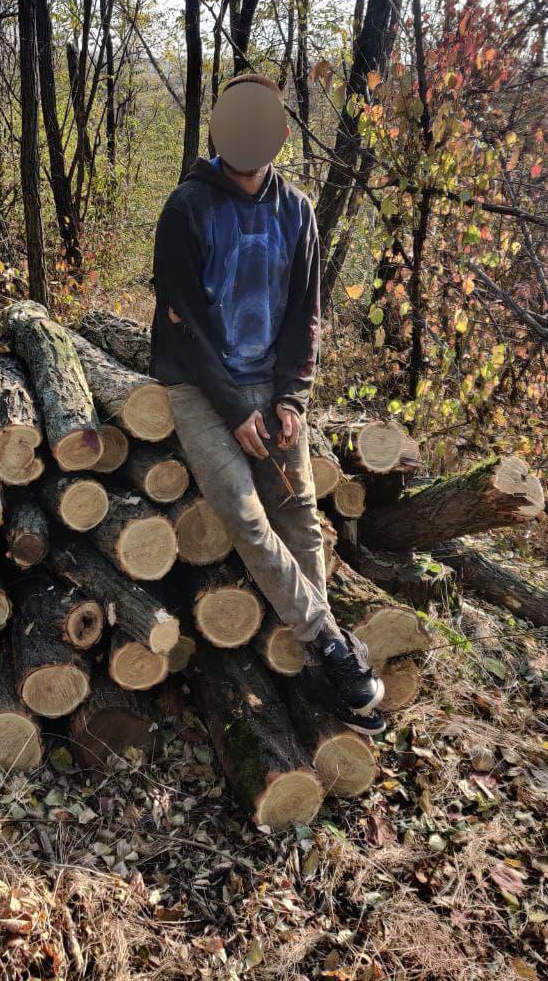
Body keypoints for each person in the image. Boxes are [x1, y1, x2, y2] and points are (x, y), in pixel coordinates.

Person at [150, 72, 385, 735]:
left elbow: (304, 317)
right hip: (198, 385)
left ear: (282, 133)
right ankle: (335, 649)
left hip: (270, 385)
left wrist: (292, 397)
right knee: (246, 515)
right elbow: (180, 322)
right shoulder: (187, 209)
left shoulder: (297, 212)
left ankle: (321, 662)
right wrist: (233, 408)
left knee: (300, 515)